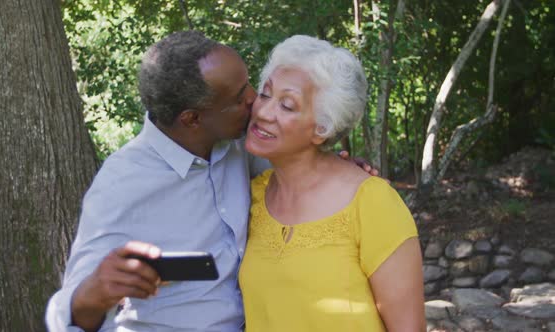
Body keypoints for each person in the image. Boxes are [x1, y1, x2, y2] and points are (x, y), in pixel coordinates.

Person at [46, 31, 377, 332]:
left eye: (251, 85)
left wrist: (338, 169)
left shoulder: (240, 144)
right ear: (192, 119)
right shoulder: (122, 183)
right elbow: (68, 316)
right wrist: (95, 291)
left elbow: (299, 165)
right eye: (237, 98)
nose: (254, 100)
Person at [238, 35, 425, 332]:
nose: (262, 112)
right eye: (264, 94)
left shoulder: (372, 202)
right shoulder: (250, 195)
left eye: (286, 106)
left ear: (321, 129)